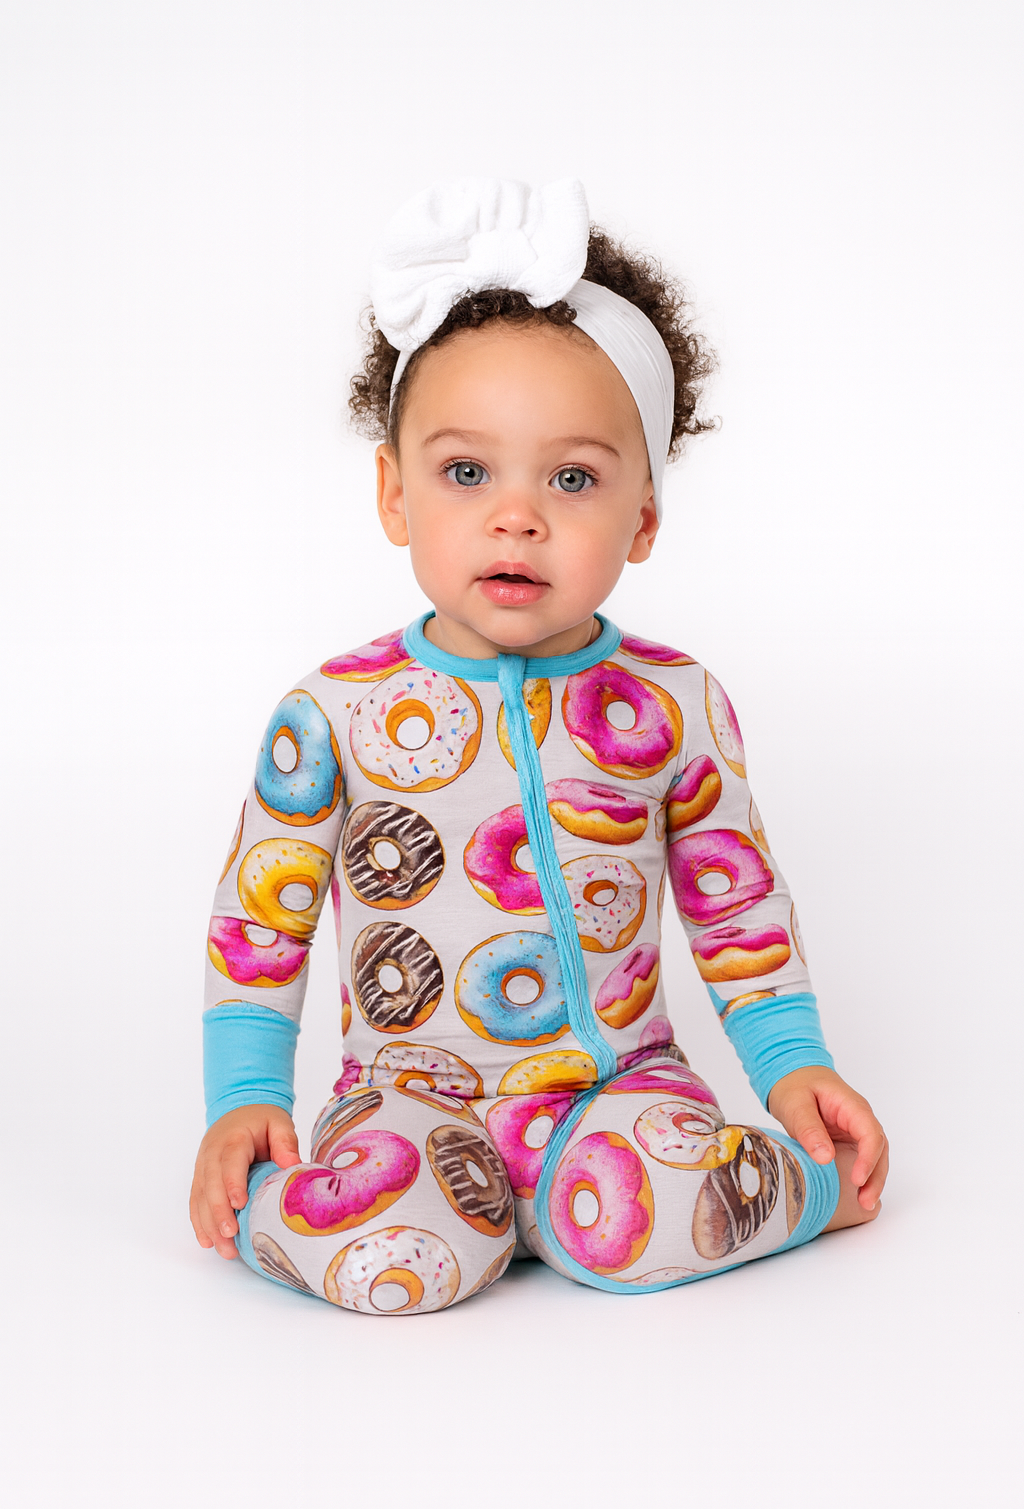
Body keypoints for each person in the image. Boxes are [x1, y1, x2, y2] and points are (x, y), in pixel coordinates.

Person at [190, 178, 887, 1312]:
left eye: (573, 478)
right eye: (467, 472)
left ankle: (801, 1190)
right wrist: (244, 1100)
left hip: (618, 1095)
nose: (517, 515)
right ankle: (327, 1207)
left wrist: (793, 1065)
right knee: (385, 1263)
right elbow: (261, 920)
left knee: (645, 1224)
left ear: (643, 517)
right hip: (407, 1099)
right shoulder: (334, 711)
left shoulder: (673, 704)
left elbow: (738, 907)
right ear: (395, 494)